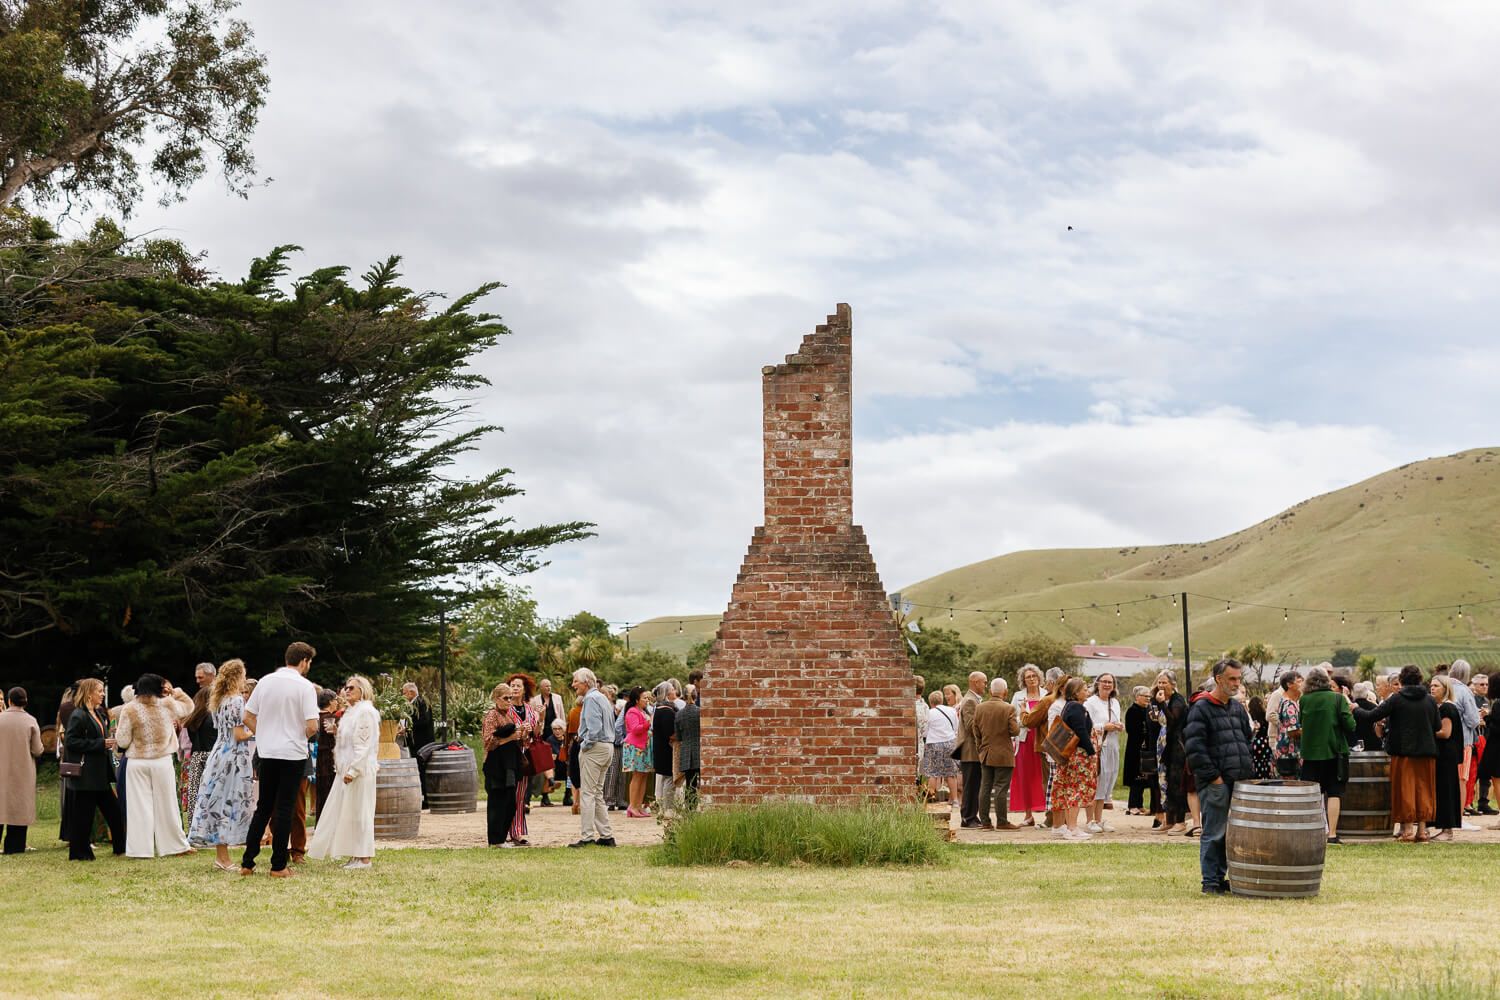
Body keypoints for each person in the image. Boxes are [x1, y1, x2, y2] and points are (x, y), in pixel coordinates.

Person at [239, 642, 320, 877]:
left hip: (267, 752)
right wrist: (298, 736)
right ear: (304, 661)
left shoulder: (265, 681)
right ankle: (278, 865)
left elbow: (247, 716)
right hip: (292, 753)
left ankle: (247, 862)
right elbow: (312, 726)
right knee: (285, 808)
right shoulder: (304, 686)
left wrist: (264, 734)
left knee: (263, 808)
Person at [1183, 658, 1252, 895]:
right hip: (1217, 783)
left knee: (1231, 833)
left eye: (1239, 679)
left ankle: (1221, 877)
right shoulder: (1201, 708)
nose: (1236, 683)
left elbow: (1246, 738)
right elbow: (1194, 747)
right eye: (1232, 678)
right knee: (1214, 832)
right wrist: (1214, 777)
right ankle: (1210, 881)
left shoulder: (1236, 708)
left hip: (1238, 781)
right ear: (1218, 679)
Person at [1355, 665, 1440, 842]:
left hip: (1403, 752)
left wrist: (1355, 708)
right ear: (1420, 679)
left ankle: (1407, 830)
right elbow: (1437, 726)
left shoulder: (1397, 699)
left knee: (1405, 789)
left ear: (1401, 680)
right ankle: (1422, 831)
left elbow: (1371, 716)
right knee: (1424, 790)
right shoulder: (1430, 700)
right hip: (1427, 751)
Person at [114, 673, 195, 858]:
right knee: (167, 804)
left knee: (138, 806)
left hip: (137, 761)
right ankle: (174, 846)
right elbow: (189, 707)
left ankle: (140, 849)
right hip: (162, 760)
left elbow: (123, 739)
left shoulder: (129, 709)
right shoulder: (166, 704)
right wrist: (175, 692)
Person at [188, 660, 256, 871]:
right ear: (238, 676)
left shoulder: (219, 700)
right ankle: (223, 858)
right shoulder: (236, 701)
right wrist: (257, 731)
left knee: (219, 802)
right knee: (229, 803)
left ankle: (222, 855)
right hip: (234, 757)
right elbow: (238, 734)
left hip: (219, 753)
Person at [308, 675, 380, 869]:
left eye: (351, 688)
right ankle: (356, 854)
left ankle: (364, 858)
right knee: (350, 814)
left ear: (362, 691)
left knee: (361, 814)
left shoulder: (366, 712)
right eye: (346, 688)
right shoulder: (351, 712)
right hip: (346, 770)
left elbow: (365, 745)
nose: (347, 691)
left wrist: (354, 770)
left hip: (359, 772)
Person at [63, 678, 126, 861]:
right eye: (99, 691)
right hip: (87, 776)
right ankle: (79, 853)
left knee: (114, 812)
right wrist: (100, 744)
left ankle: (121, 848)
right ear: (89, 693)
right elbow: (71, 742)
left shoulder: (97, 713)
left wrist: (105, 743)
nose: (102, 694)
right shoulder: (79, 715)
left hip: (99, 775)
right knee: (84, 817)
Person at [1297, 666, 1356, 844]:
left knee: (1313, 795)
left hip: (1310, 754)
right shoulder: (1337, 699)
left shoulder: (1304, 700)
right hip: (1334, 752)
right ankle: (1332, 834)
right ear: (1327, 681)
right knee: (1334, 793)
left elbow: (1301, 722)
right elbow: (1351, 726)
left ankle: (1313, 833)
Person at [567, 668, 616, 848]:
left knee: (587, 793)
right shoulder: (602, 697)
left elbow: (594, 730)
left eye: (576, 681)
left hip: (595, 748)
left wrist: (584, 745)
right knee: (597, 793)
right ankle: (606, 835)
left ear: (586, 682)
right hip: (607, 747)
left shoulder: (590, 699)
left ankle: (587, 837)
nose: (573, 684)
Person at [1049, 678, 1098, 841]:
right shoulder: (1076, 707)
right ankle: (1072, 828)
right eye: (1084, 689)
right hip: (1079, 756)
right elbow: (1081, 731)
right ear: (1076, 692)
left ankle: (1066, 827)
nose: (1087, 691)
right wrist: (1091, 751)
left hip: (1070, 755)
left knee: (1067, 788)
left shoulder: (1068, 706)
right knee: (1076, 790)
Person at [482, 681, 528, 847]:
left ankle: (501, 838)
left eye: (510, 697)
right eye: (505, 698)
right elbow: (489, 742)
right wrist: (511, 737)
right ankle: (495, 840)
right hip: (496, 765)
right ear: (496, 698)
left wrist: (522, 733)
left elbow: (516, 741)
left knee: (510, 803)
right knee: (497, 803)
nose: (509, 701)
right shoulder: (492, 715)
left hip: (509, 765)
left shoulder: (509, 715)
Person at [0, 687, 44, 853]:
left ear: (9, 700)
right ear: (25, 701)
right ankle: (15, 845)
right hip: (23, 771)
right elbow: (37, 750)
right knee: (19, 807)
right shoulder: (30, 721)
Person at [973, 678, 1019, 830]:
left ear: (990, 691)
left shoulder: (980, 708)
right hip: (1004, 755)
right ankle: (1002, 821)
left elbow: (976, 732)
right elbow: (1015, 731)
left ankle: (985, 822)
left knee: (985, 787)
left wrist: (981, 749)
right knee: (1001, 788)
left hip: (986, 754)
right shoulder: (1009, 708)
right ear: (1005, 692)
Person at [502, 674, 541, 842]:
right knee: (508, 793)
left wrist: (538, 721)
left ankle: (516, 831)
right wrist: (518, 730)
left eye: (518, 685)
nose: (515, 688)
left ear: (525, 689)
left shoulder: (530, 710)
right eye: (512, 685)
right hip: (508, 755)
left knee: (520, 794)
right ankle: (504, 830)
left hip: (524, 757)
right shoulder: (505, 709)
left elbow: (537, 734)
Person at [1084, 673, 1124, 833]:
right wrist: (1103, 726)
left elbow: (1115, 721)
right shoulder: (1090, 703)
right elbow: (1085, 726)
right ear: (1098, 684)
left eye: (1110, 682)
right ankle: (1089, 821)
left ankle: (1099, 819)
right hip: (1097, 747)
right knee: (1095, 783)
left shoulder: (1115, 702)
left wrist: (1119, 725)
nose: (1107, 685)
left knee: (1106, 783)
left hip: (1112, 745)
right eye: (1104, 682)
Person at [1151, 671, 1189, 835]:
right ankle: (1169, 819)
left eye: (1164, 682)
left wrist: (1162, 705)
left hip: (1176, 746)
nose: (1161, 685)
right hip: (1164, 745)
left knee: (1176, 782)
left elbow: (1173, 720)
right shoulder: (1163, 700)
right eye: (1159, 682)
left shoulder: (1177, 700)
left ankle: (1180, 821)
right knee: (1164, 782)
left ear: (1173, 684)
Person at [1010, 665, 1048, 824]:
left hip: (1044, 740)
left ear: (1039, 677)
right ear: (1023, 680)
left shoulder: (1047, 694)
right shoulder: (1018, 696)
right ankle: (1028, 815)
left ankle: (1049, 814)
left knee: (1045, 775)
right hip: (1025, 740)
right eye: (1028, 677)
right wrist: (1025, 721)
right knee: (1025, 777)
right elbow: (1012, 718)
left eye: (1034, 676)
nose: (1032, 679)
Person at [1447, 660, 1481, 830]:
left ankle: (1446, 816)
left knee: (1446, 779)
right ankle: (1458, 818)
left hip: (1444, 741)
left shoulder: (1443, 687)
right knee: (1461, 780)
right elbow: (1473, 720)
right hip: (1463, 742)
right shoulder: (1464, 691)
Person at [1430, 675, 1463, 841]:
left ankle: (1447, 830)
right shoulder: (1439, 707)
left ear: (1445, 688)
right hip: (1441, 755)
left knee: (1446, 792)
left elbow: (1445, 733)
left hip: (1446, 756)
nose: (1432, 688)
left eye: (1436, 685)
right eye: (1431, 685)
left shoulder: (1447, 708)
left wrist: (1425, 732)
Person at [956, 670, 987, 829]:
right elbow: (970, 726)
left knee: (974, 785)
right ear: (975, 682)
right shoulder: (969, 701)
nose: (986, 685)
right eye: (984, 682)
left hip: (973, 751)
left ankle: (972, 816)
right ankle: (968, 818)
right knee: (971, 785)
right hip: (970, 751)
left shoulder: (973, 699)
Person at [530, 678, 566, 807]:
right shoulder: (535, 700)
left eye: (550, 686)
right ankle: (545, 796)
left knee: (554, 762)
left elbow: (561, 714)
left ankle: (564, 794)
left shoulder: (557, 698)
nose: (548, 688)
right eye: (546, 686)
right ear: (541, 688)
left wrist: (563, 729)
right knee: (545, 763)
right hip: (541, 734)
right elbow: (533, 717)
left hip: (556, 730)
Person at [182, 688, 216, 818]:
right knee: (212, 795)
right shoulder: (213, 717)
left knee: (195, 794)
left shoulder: (193, 719)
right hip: (212, 757)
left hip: (196, 757)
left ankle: (194, 823)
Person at [1124, 685, 1157, 815]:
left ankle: (1140, 804)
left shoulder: (1148, 710)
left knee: (1144, 776)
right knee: (1136, 777)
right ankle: (1132, 805)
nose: (1148, 698)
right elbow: (1131, 730)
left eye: (1149, 696)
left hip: (1146, 748)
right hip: (1135, 748)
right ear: (1138, 697)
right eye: (1145, 696)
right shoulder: (1132, 711)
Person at [923, 689, 961, 804]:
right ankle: (955, 800)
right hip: (950, 742)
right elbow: (956, 727)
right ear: (941, 700)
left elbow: (925, 731)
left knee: (933, 773)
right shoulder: (951, 710)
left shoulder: (929, 713)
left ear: (931, 702)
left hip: (934, 743)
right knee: (951, 772)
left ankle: (931, 799)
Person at [622, 686, 655, 818]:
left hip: (644, 747)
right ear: (636, 699)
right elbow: (635, 729)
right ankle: (632, 806)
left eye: (647, 698)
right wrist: (648, 722)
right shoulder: (632, 711)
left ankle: (638, 805)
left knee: (643, 776)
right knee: (637, 776)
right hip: (636, 748)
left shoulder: (643, 711)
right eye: (644, 698)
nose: (647, 700)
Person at [402, 682, 435, 807]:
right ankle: (423, 797)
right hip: (416, 743)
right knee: (419, 770)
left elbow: (424, 721)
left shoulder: (421, 702)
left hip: (422, 743)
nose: (403, 696)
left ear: (411, 692)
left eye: (404, 693)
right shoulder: (415, 703)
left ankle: (426, 799)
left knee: (423, 770)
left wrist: (408, 728)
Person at [651, 681, 678, 818]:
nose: (675, 691)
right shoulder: (666, 711)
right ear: (667, 693)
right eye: (672, 689)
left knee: (665, 779)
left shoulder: (659, 709)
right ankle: (668, 809)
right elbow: (670, 733)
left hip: (660, 748)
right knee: (669, 778)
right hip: (666, 749)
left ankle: (663, 808)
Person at [1272, 671, 1303, 778]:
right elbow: (1293, 732)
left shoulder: (1286, 701)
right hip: (1289, 754)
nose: (1302, 685)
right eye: (1299, 681)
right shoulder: (1289, 704)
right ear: (1289, 684)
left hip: (1286, 753)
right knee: (1290, 785)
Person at [314, 688, 339, 818]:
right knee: (330, 791)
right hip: (329, 758)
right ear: (330, 702)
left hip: (319, 758)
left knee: (321, 791)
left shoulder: (315, 717)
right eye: (335, 700)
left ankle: (320, 821)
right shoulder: (331, 718)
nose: (337, 703)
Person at [675, 686, 701, 808]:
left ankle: (690, 808)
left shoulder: (679, 714)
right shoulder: (700, 712)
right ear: (696, 696)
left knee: (690, 783)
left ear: (684, 697)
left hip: (686, 751)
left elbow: (678, 737)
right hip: (699, 750)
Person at [1248, 697, 1273, 779]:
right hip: (1265, 742)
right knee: (1266, 761)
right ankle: (1266, 776)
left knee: (1256, 761)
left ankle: (1257, 777)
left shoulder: (1249, 715)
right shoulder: (1265, 715)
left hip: (1255, 742)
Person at [1352, 682, 1381, 751]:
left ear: (1353, 693)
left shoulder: (1350, 707)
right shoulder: (1374, 707)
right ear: (1367, 694)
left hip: (1354, 743)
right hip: (1373, 743)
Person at [912, 675, 929, 784]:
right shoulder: (925, 706)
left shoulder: (910, 705)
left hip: (912, 745)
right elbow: (926, 730)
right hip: (920, 744)